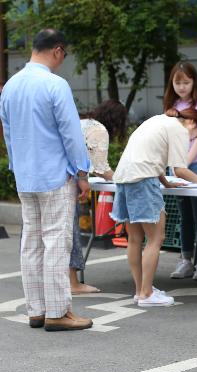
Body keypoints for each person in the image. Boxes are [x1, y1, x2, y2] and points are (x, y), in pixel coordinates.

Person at [0, 29, 93, 331]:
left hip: (25, 176)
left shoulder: (11, 86)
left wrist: (16, 166)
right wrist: (82, 172)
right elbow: (71, 133)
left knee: (31, 243)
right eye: (64, 55)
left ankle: (36, 310)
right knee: (56, 242)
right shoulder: (55, 84)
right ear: (57, 50)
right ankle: (58, 312)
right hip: (54, 175)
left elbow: (9, 134)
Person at [110, 108, 197, 307]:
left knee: (134, 239)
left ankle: (140, 290)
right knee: (156, 238)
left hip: (124, 178)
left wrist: (167, 184)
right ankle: (147, 294)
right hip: (143, 180)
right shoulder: (179, 128)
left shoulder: (158, 120)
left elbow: (152, 156)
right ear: (193, 124)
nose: (193, 139)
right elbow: (180, 170)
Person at [163, 62, 197, 281]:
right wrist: (176, 164)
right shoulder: (172, 105)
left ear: (194, 81)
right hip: (178, 165)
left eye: (186, 82)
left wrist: (183, 163)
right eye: (178, 82)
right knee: (184, 215)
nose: (182, 86)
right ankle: (185, 260)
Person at [69, 100, 128, 294]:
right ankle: (73, 283)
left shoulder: (83, 122)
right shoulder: (98, 129)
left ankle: (64, 281)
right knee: (70, 232)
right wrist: (123, 177)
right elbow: (101, 168)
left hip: (52, 176)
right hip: (68, 181)